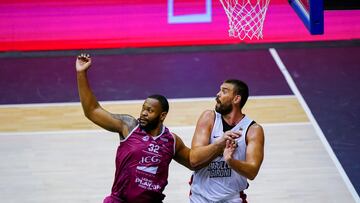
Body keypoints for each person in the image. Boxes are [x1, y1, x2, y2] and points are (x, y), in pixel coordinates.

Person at [76, 53, 194, 203]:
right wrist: (81, 73)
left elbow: (193, 162)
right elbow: (92, 111)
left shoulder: (172, 141)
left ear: (162, 116)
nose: (144, 113)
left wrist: (220, 145)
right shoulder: (129, 126)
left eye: (150, 110)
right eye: (143, 108)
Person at [189, 79, 265, 203]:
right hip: (200, 198)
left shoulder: (253, 130)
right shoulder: (209, 118)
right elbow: (193, 160)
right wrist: (220, 144)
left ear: (236, 99)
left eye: (224, 91)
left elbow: (252, 172)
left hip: (232, 199)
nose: (218, 94)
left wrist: (231, 161)